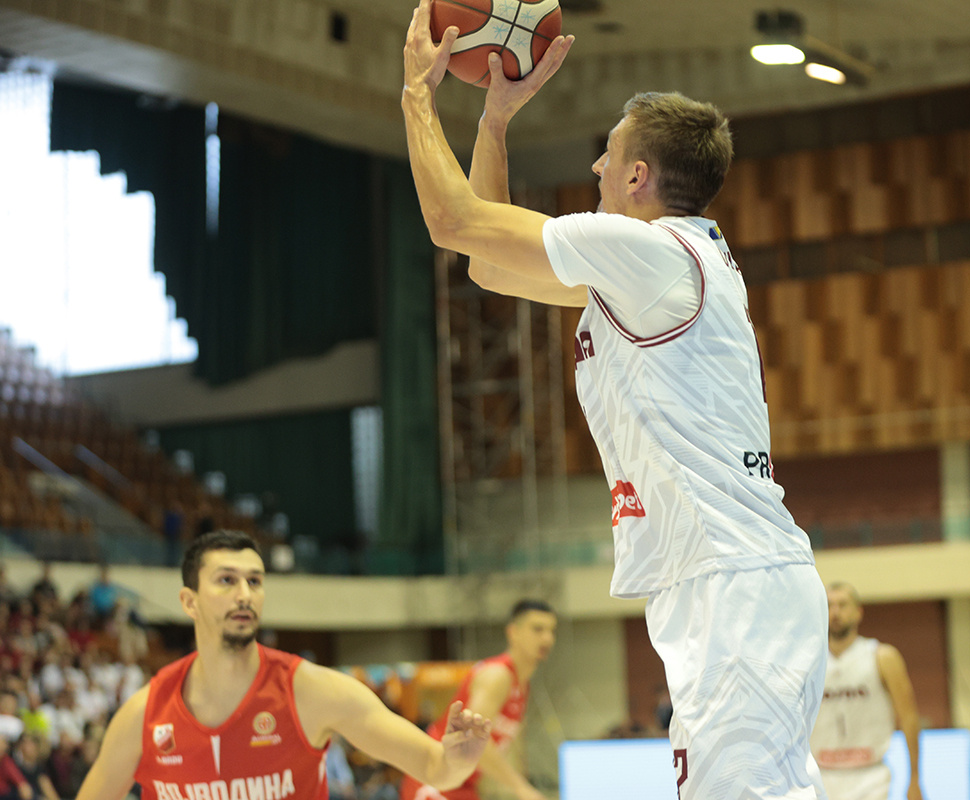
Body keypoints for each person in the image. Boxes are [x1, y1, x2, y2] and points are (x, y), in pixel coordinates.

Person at [402, 4, 829, 798]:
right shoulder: (652, 269)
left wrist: (417, 96)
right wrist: (492, 124)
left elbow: (450, 220)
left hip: (732, 583)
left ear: (638, 177)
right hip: (722, 583)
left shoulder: (652, 252)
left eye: (607, 158)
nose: (595, 170)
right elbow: (489, 264)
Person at [74, 530, 491, 800]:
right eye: (226, 580)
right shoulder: (144, 713)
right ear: (189, 602)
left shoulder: (313, 692)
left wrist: (460, 758)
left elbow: (436, 767)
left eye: (254, 581)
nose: (244, 594)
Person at [401, 600, 557, 800]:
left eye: (552, 631)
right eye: (538, 629)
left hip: (463, 781)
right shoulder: (498, 675)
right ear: (513, 632)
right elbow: (473, 739)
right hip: (436, 777)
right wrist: (522, 788)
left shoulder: (523, 685)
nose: (547, 638)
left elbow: (504, 748)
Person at [811, 583, 922, 800]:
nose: (835, 612)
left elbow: (909, 718)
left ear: (858, 612)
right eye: (829, 605)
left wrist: (915, 778)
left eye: (842, 605)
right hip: (820, 774)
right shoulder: (809, 661)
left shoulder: (882, 657)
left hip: (870, 776)